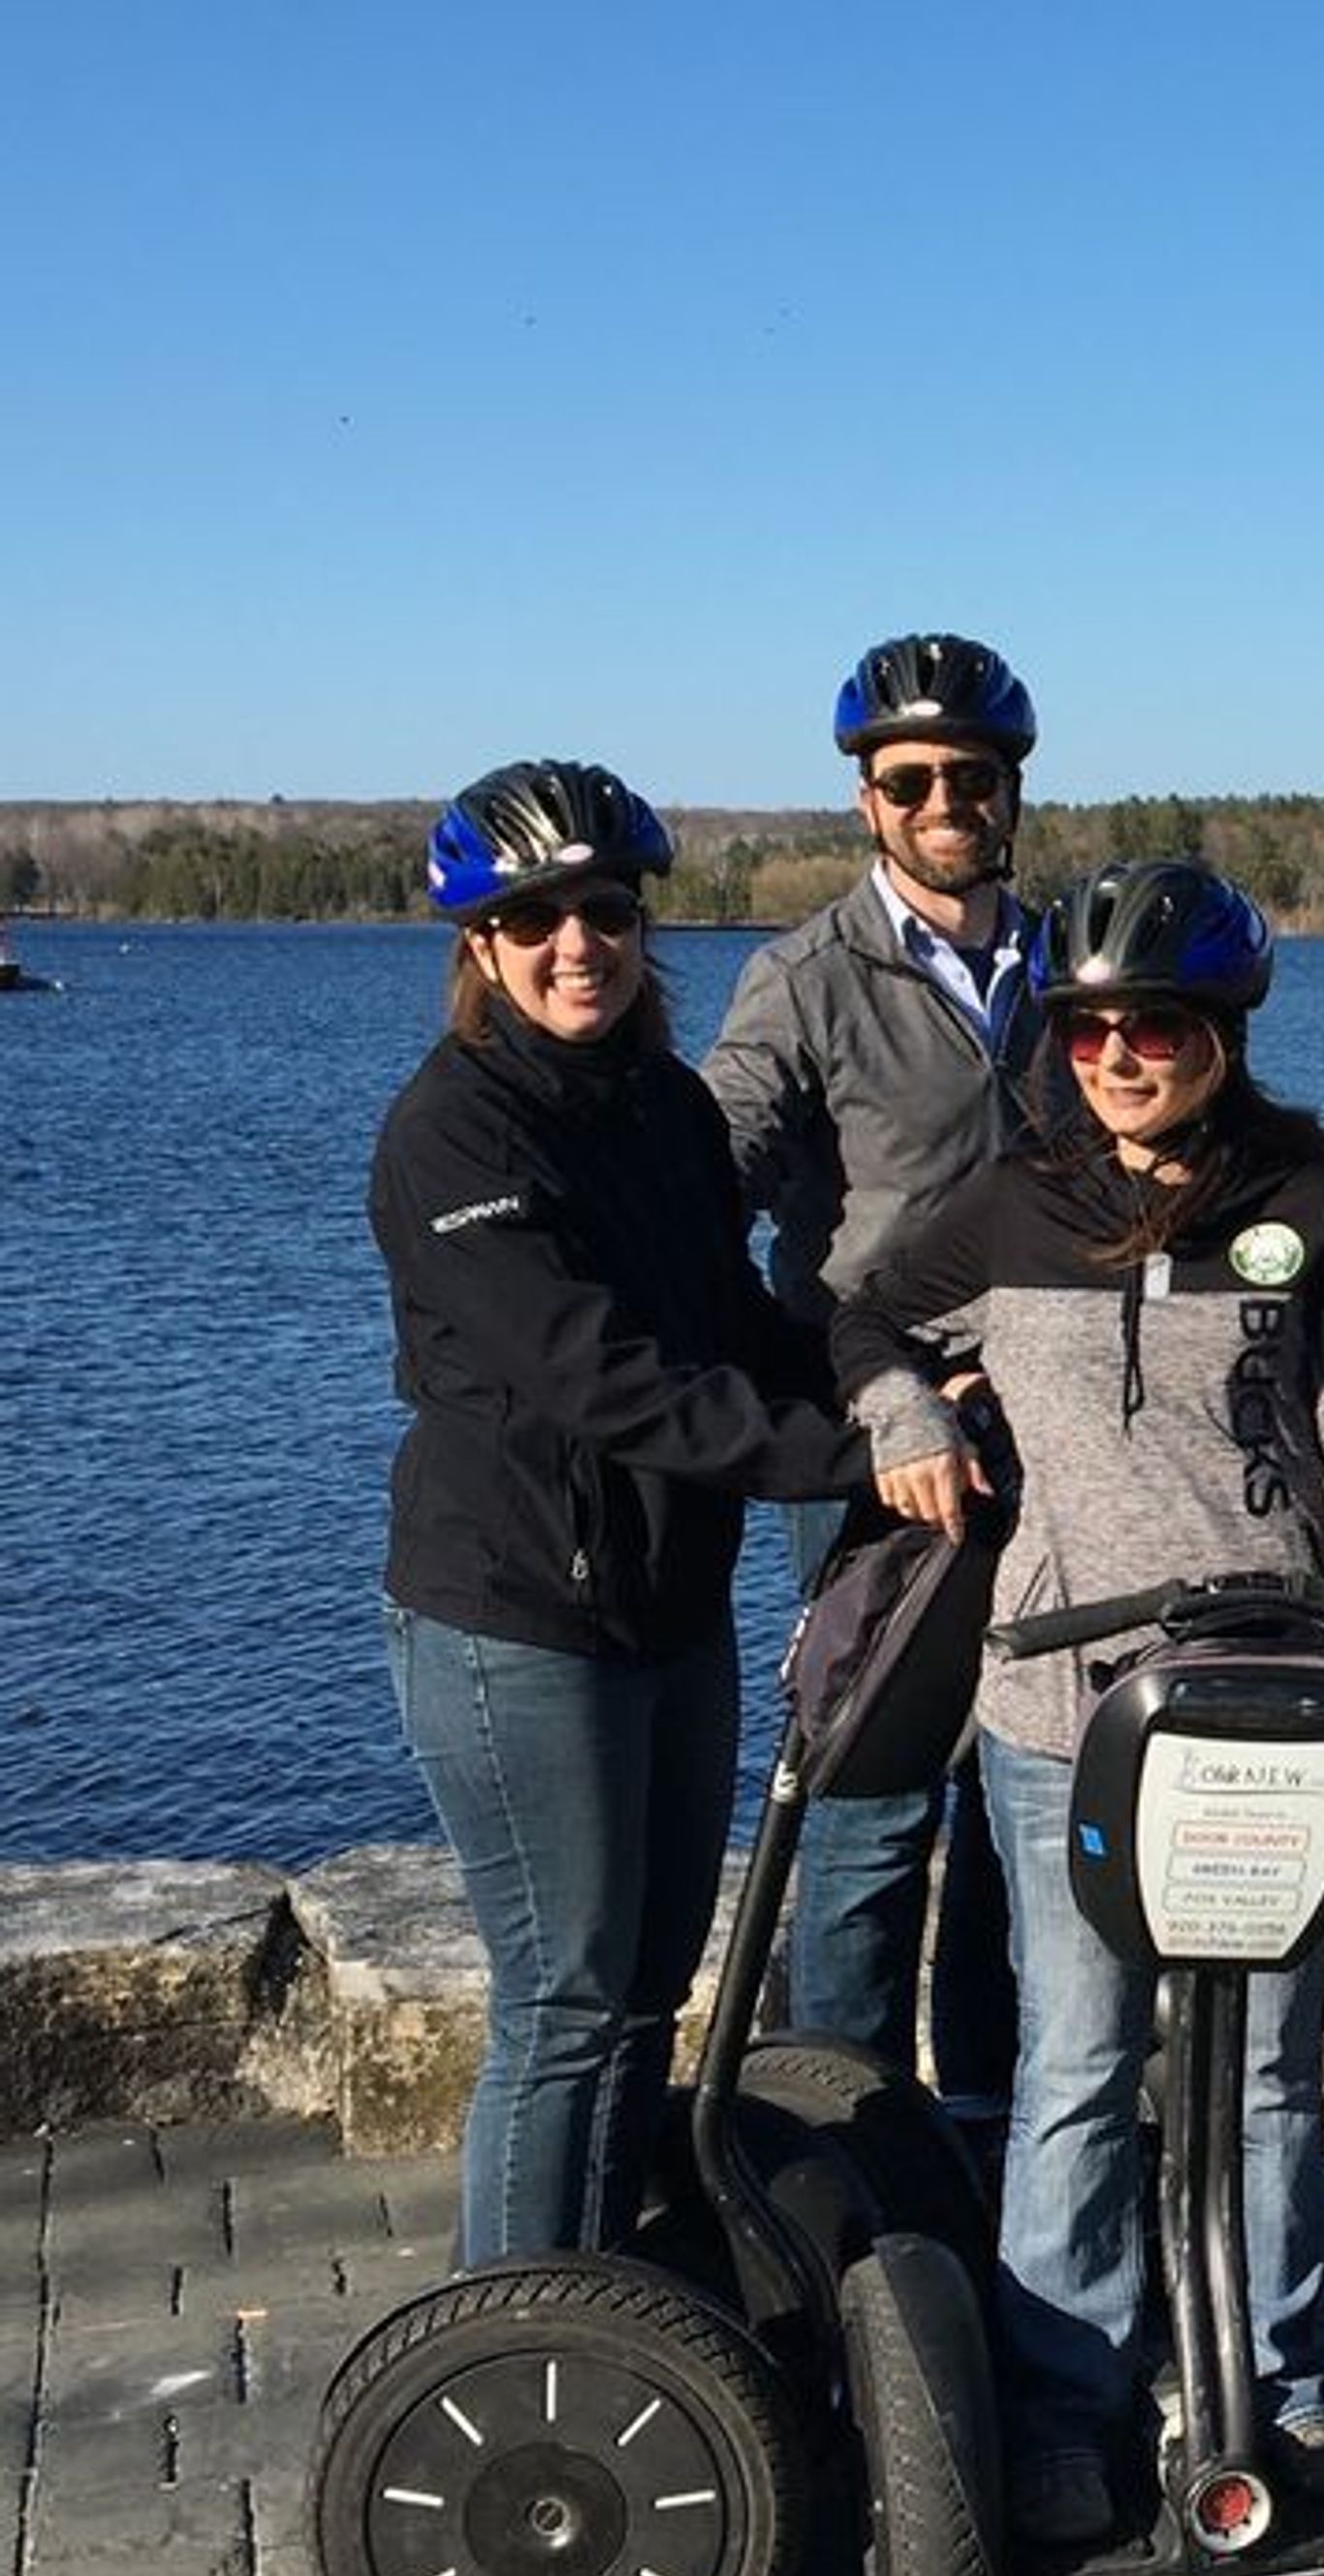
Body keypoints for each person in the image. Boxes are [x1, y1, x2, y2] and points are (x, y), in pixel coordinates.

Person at [836, 859, 1324, 2549]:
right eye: (1092, 1026)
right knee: (1080, 2063)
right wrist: (904, 1413)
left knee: (1269, 2073)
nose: (1121, 1053)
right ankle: (1066, 2399)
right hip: (1060, 1700)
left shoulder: (1305, 1192)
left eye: (1156, 1024)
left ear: (1223, 1031)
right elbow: (858, 1309)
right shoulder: (1014, 1204)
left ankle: (1288, 2375)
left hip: (1266, 1697)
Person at [372, 761, 872, 2267]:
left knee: (650, 1988)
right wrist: (841, 1463)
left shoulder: (659, 1105)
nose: (574, 943)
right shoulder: (454, 1136)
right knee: (566, 2002)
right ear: (479, 945)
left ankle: (610, 2300)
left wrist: (908, 1395)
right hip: (519, 1617)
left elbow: (727, 1321)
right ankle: (514, 2336)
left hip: (669, 1604)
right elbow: (608, 1379)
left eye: (602, 911)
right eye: (533, 919)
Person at [705, 633, 1043, 2122]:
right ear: (867, 799)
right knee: (870, 1791)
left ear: (1009, 786)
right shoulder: (803, 980)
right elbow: (710, 1167)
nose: (944, 800)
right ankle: (838, 2134)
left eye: (971, 775)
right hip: (884, 1431)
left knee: (1027, 1792)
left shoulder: (1073, 962)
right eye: (911, 779)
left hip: (1060, 1427)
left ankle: (985, 2109)